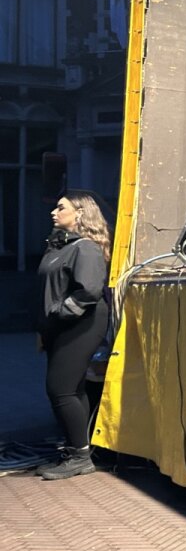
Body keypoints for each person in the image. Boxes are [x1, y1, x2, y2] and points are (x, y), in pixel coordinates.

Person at [35, 190, 112, 480]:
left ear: (79, 213)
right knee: (73, 389)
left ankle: (79, 456)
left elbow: (90, 290)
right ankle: (77, 450)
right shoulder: (59, 247)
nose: (54, 212)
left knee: (60, 389)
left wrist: (59, 314)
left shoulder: (85, 248)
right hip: (61, 326)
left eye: (61, 207)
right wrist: (46, 325)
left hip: (82, 323)